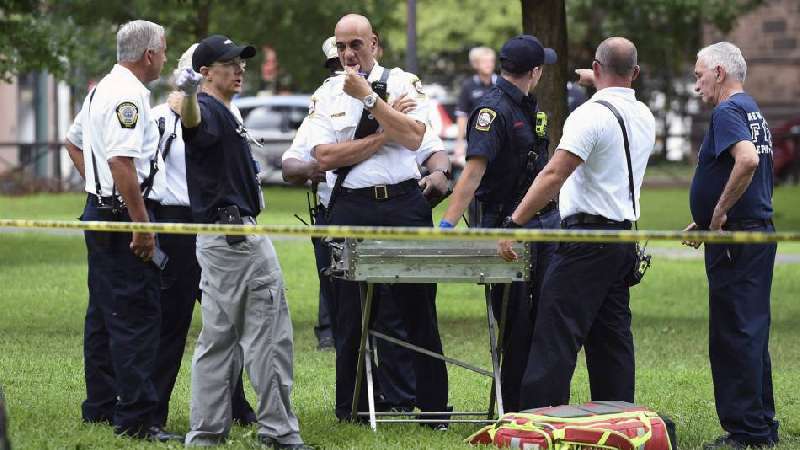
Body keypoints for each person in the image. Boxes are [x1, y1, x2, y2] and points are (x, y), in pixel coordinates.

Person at [303, 14, 449, 426]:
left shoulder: (403, 82)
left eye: (356, 44)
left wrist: (371, 100)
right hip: (351, 204)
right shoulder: (327, 93)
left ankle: (433, 408)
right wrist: (386, 131)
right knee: (350, 313)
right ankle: (350, 407)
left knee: (418, 307)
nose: (348, 54)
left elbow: (417, 138)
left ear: (375, 44)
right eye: (341, 46)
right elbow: (326, 157)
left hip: (403, 202)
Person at [498, 37, 655, 410]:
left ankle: (538, 419)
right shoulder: (644, 115)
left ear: (597, 69)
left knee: (554, 332)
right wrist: (598, 77)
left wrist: (515, 221)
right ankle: (616, 416)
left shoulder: (589, 115)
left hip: (585, 241)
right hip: (621, 239)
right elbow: (615, 84)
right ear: (634, 73)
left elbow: (554, 173)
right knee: (611, 338)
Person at [176, 35, 309, 448]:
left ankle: (206, 434)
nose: (240, 68)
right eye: (229, 63)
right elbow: (193, 125)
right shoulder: (208, 109)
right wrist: (187, 95)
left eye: (241, 62)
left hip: (220, 240)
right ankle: (279, 433)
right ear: (205, 73)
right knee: (268, 336)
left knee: (217, 340)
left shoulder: (226, 110)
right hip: (237, 240)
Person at [67, 19, 182, 441]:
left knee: (103, 313)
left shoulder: (101, 89)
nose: (165, 57)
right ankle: (135, 418)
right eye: (164, 50)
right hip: (125, 216)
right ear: (149, 54)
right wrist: (140, 223)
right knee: (136, 315)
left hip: (101, 210)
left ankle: (99, 405)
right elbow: (121, 161)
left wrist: (95, 188)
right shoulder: (128, 95)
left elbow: (73, 141)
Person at [440, 35, 560, 413]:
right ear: (535, 71)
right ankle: (516, 411)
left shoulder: (525, 104)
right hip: (505, 231)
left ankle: (542, 406)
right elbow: (472, 174)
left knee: (544, 320)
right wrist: (447, 226)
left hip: (541, 226)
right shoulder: (493, 111)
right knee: (516, 325)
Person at [148, 44, 256, 429]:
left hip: (214, 221)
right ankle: (153, 410)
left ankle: (236, 405)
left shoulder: (229, 111)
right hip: (177, 223)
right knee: (172, 324)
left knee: (229, 322)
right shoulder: (162, 116)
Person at [684, 42, 779, 450]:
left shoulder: (727, 112)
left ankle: (746, 432)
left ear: (719, 72)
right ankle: (762, 425)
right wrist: (707, 215)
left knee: (733, 334)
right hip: (753, 231)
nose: (695, 84)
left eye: (698, 74)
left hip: (736, 239)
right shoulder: (750, 109)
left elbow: (747, 162)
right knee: (750, 330)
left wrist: (719, 214)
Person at [454, 47, 497, 168]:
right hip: (476, 140)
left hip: (498, 137)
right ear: (476, 64)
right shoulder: (468, 86)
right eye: (484, 61)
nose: (488, 64)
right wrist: (459, 143)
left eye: (491, 61)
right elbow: (462, 115)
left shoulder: (501, 84)